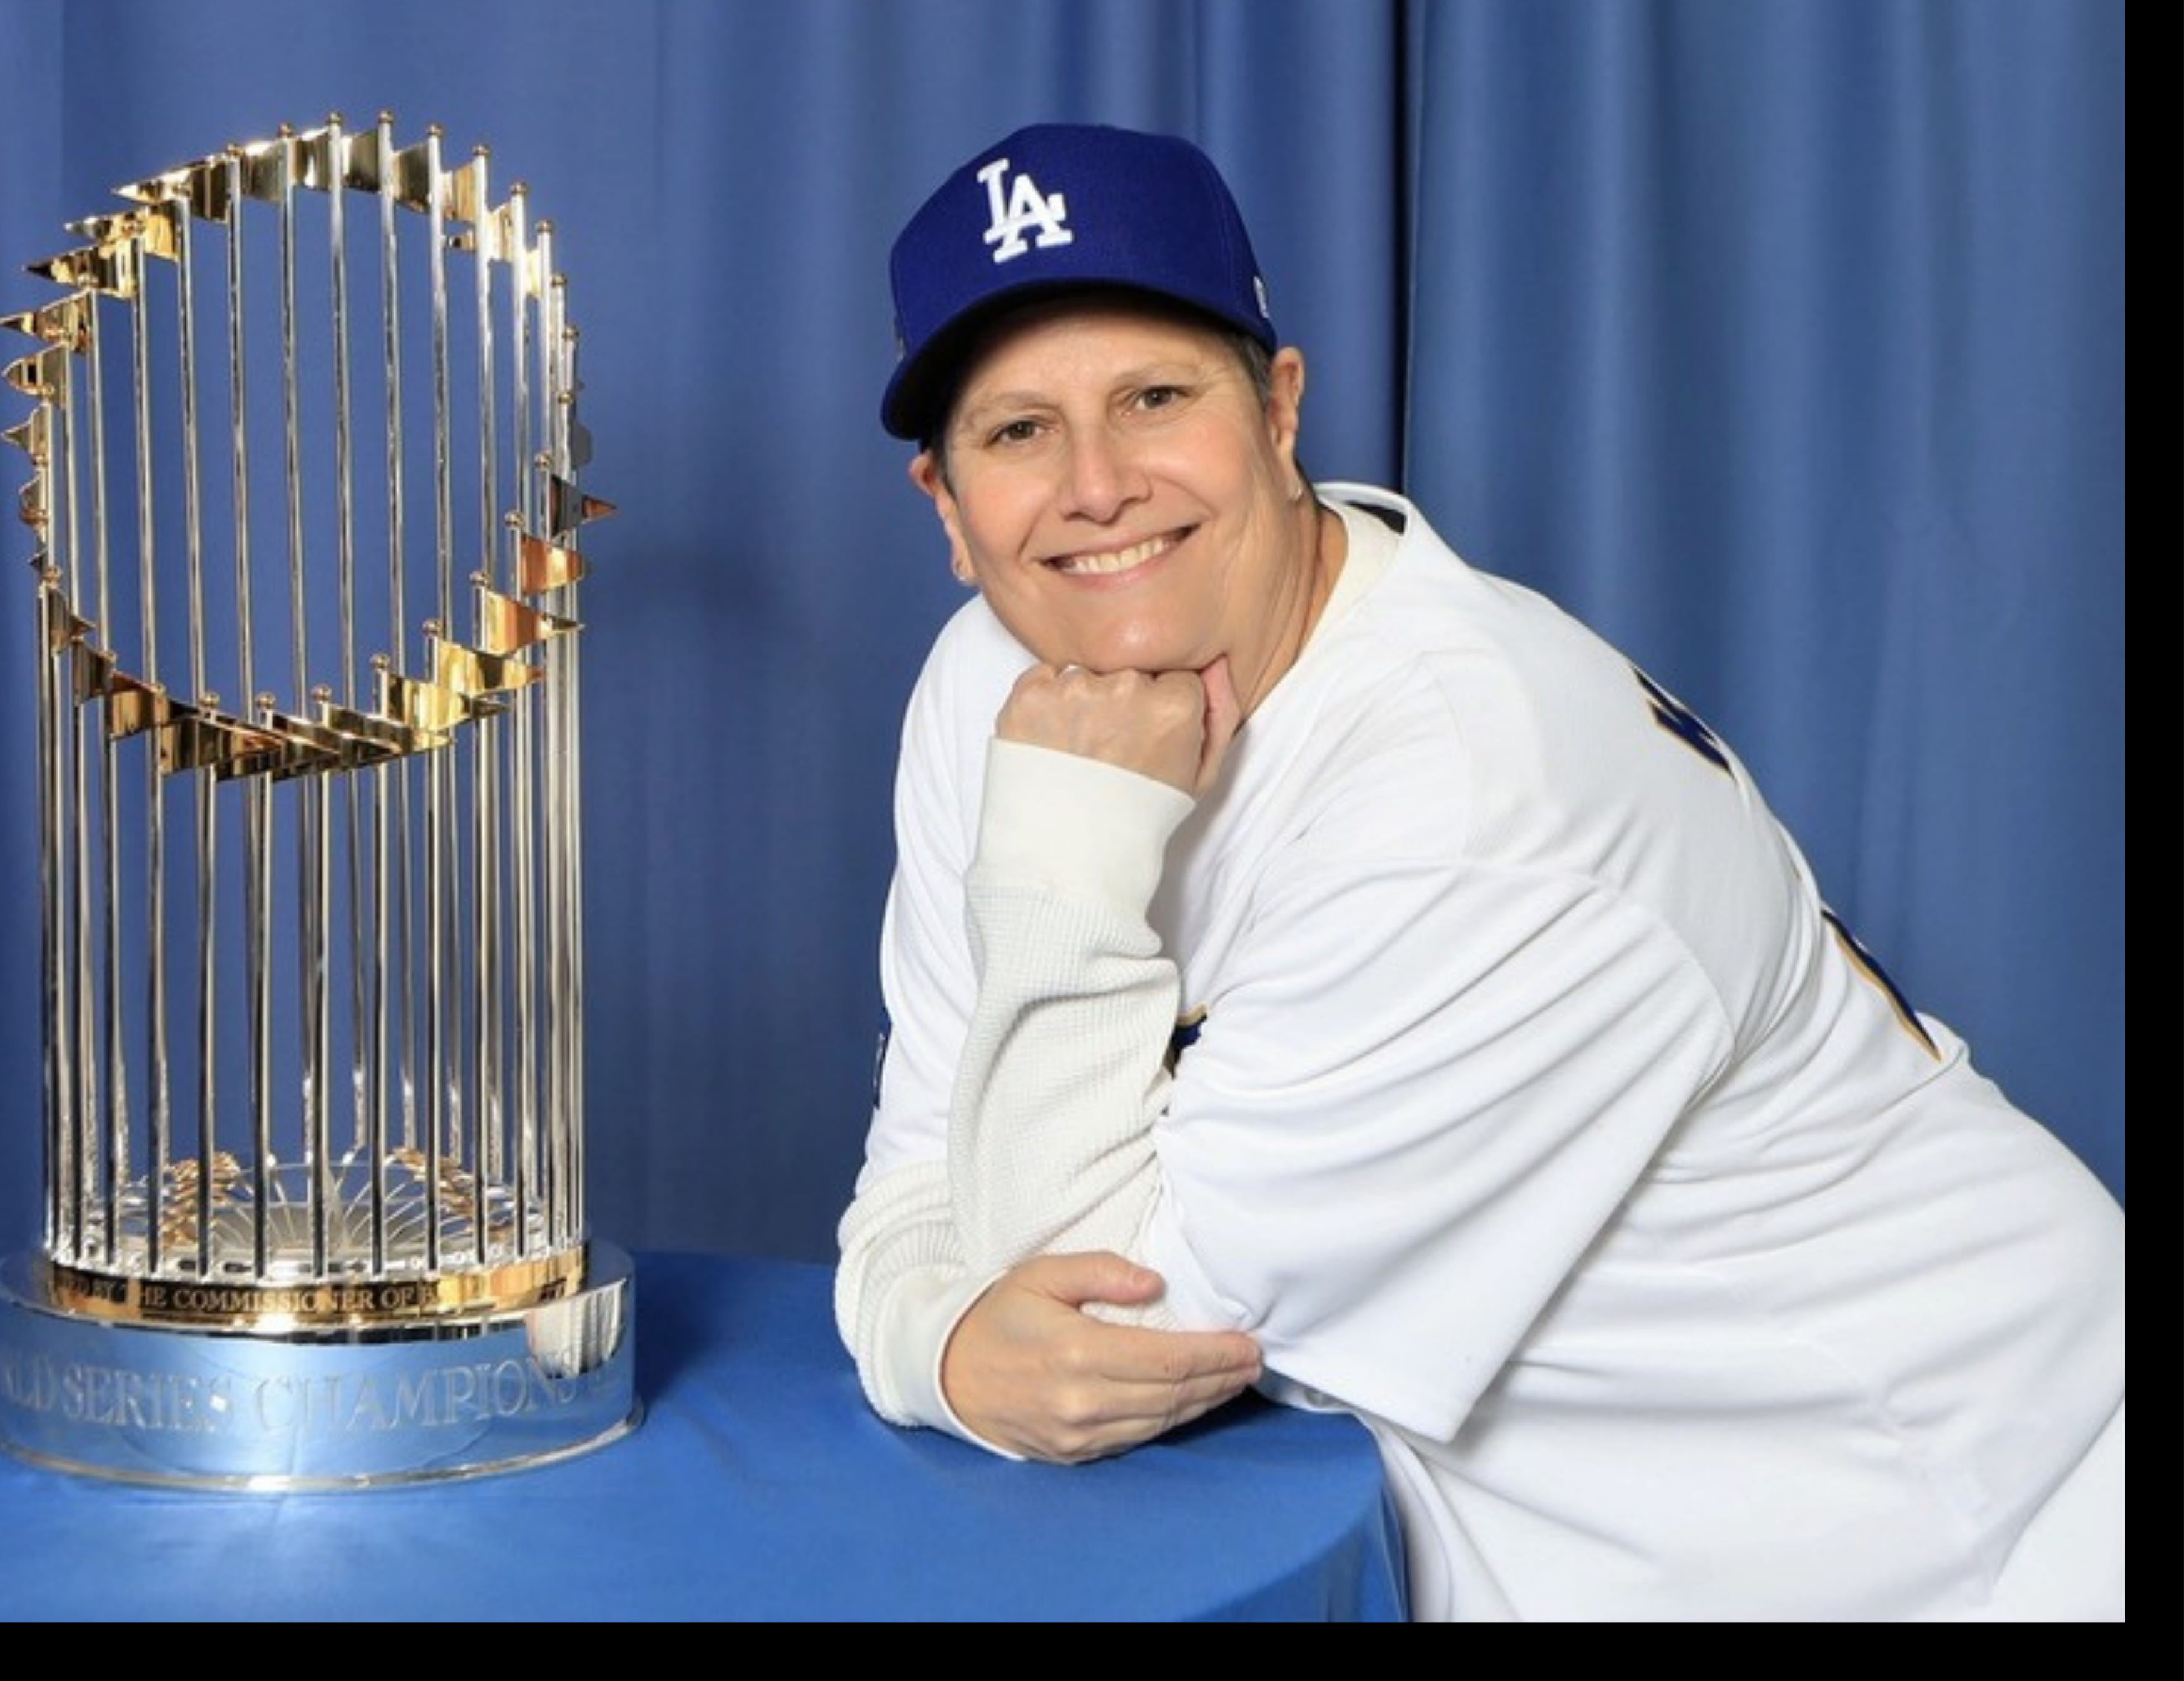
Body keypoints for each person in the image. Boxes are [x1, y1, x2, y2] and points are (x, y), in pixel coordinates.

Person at [832, 121, 2125, 1622]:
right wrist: (933, 1342)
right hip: (1613, 1539)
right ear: (946, 507)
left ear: (1279, 410)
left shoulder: (1476, 784)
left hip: (1977, 1527)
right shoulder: (993, 679)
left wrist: (1067, 847)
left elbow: (1111, 1333)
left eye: (1153, 397)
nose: (1096, 485)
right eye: (1017, 431)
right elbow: (922, 1172)